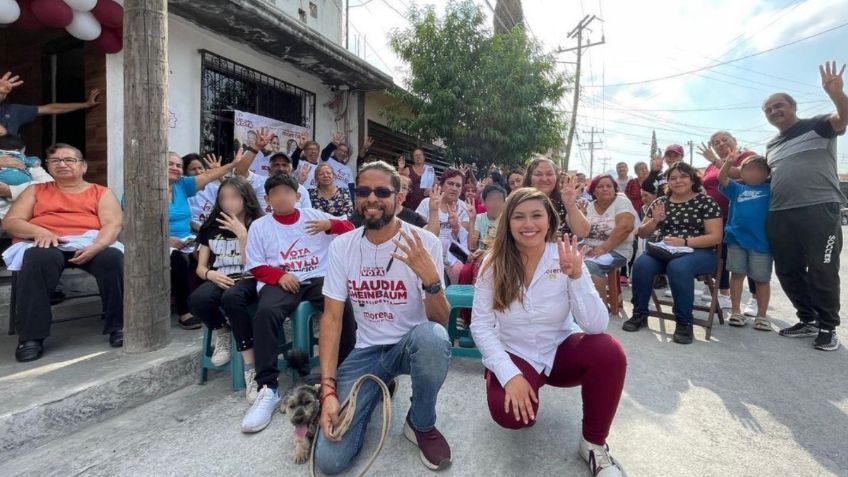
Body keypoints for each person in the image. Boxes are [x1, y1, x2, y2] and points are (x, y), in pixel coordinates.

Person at [470, 187, 627, 477]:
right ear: (508, 223)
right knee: (511, 417)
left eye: (536, 216)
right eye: (518, 217)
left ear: (550, 222)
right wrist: (509, 374)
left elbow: (596, 326)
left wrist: (577, 276)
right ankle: (498, 375)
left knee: (608, 350)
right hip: (515, 352)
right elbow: (480, 325)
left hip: (559, 351)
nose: (528, 224)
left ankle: (594, 444)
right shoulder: (492, 264)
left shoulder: (564, 257)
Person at [313, 161, 452, 474]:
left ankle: (421, 422)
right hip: (367, 351)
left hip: (412, 345)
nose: (371, 198)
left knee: (433, 339)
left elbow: (441, 321)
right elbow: (332, 319)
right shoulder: (341, 246)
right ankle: (376, 387)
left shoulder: (424, 242)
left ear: (399, 199)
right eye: (363, 191)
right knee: (330, 461)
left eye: (381, 191)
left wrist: (431, 279)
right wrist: (328, 390)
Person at [240, 174, 357, 433]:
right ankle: (268, 388)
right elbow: (256, 266)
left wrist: (330, 224)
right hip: (281, 280)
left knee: (341, 304)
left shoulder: (312, 215)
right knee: (265, 313)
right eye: (276, 194)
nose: (282, 197)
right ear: (268, 200)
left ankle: (346, 370)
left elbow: (351, 231)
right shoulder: (260, 225)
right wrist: (280, 275)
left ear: (297, 195)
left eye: (287, 192)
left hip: (316, 278)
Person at [3, 144, 124, 362]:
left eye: (69, 160)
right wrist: (38, 230)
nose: (62, 164)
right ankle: (31, 336)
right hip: (47, 241)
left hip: (89, 241)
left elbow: (113, 224)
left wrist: (97, 246)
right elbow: (11, 222)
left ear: (84, 166)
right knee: (37, 258)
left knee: (113, 258)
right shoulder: (35, 190)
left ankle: (121, 325)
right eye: (55, 161)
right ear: (48, 167)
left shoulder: (101, 192)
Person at [762, 61, 847, 351]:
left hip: (819, 210)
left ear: (793, 107)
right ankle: (807, 318)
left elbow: (843, 118)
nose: (774, 111)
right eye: (769, 109)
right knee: (787, 270)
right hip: (780, 213)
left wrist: (837, 94)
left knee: (822, 268)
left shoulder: (818, 125)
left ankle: (827, 326)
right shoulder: (772, 145)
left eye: (779, 105)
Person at [622, 162, 723, 344]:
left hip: (699, 252)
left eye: (683, 176)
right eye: (673, 178)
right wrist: (655, 220)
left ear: (693, 179)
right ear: (667, 182)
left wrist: (684, 242)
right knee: (642, 264)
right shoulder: (660, 202)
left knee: (679, 267)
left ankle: (684, 322)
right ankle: (640, 313)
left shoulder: (706, 202)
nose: (678, 181)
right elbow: (642, 233)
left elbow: (715, 237)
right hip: (666, 252)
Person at [188, 177, 265, 402]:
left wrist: (242, 234)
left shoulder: (258, 223)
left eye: (234, 197)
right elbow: (201, 268)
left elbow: (253, 264)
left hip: (249, 278)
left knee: (232, 298)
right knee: (198, 299)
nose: (228, 203)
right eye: (223, 198)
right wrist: (211, 274)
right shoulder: (211, 227)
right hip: (220, 276)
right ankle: (222, 330)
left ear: (246, 198)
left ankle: (251, 369)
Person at [167, 150, 244, 330]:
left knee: (207, 252)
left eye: (178, 165)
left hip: (187, 240)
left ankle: (217, 302)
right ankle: (184, 311)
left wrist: (232, 164)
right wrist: (166, 240)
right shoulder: (143, 188)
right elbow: (133, 224)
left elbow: (209, 175)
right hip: (158, 243)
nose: (175, 168)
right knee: (179, 260)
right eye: (170, 164)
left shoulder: (181, 184)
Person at [697, 131, 760, 312]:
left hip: (743, 216)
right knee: (721, 257)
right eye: (716, 142)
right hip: (717, 218)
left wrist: (719, 161)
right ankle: (724, 295)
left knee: (749, 256)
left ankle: (756, 299)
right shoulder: (710, 166)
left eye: (725, 140)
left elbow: (740, 175)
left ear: (735, 141)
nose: (720, 144)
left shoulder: (747, 156)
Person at [718, 154, 773, 331]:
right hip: (736, 241)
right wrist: (728, 161)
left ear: (767, 174)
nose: (753, 173)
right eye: (748, 169)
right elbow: (722, 177)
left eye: (759, 170)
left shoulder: (771, 190)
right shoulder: (737, 189)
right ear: (741, 172)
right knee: (737, 275)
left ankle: (762, 316)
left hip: (762, 242)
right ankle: (736, 311)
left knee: (762, 279)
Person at [583, 175, 637, 307]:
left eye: (608, 186)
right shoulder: (589, 206)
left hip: (616, 251)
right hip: (589, 247)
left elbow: (625, 227)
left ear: (615, 189)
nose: (605, 189)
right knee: (566, 261)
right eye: (600, 186)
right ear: (594, 191)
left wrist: (602, 248)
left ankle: (599, 307)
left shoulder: (621, 202)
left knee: (590, 265)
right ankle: (578, 304)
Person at [416, 168, 474, 283]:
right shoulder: (427, 203)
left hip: (454, 254)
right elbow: (419, 233)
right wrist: (433, 210)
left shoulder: (464, 208)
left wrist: (456, 226)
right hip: (430, 252)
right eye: (450, 183)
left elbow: (465, 243)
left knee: (460, 268)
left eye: (458, 185)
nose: (454, 188)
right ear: (441, 186)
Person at [0, 72, 101, 135]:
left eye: (3, 92)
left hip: (11, 167)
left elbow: (51, 108)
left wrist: (86, 104)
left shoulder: (13, 111)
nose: (2, 93)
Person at [236, 129, 312, 212]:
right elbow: (239, 172)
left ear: (291, 169)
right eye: (276, 165)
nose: (281, 168)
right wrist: (256, 147)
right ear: (269, 169)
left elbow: (307, 218)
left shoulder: (302, 190)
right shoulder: (260, 181)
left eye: (285, 165)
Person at [522, 158, 589, 238]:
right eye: (538, 174)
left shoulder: (565, 201)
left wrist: (570, 205)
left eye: (549, 174)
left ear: (556, 177)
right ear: (529, 178)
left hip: (563, 249)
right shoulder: (519, 202)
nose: (544, 179)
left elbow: (583, 233)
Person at [0, 135, 53, 219]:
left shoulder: (28, 166)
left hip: (22, 217)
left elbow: (48, 185)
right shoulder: (24, 159)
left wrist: (11, 190)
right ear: (22, 149)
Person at [471, 184, 507, 251]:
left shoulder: (507, 220)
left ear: (504, 203)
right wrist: (472, 220)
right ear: (484, 202)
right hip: (482, 257)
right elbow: (471, 246)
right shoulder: (479, 218)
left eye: (499, 199)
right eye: (491, 199)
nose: (495, 203)